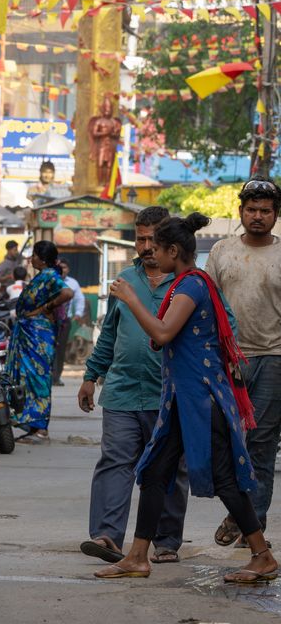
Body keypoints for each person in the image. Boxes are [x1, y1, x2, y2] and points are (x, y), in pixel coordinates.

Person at [94, 213, 278, 585]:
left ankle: (262, 556)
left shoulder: (191, 285)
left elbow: (162, 333)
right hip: (182, 398)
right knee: (154, 472)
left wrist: (131, 298)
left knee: (225, 479)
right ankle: (137, 556)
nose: (151, 253)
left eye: (158, 248)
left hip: (201, 399)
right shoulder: (188, 283)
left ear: (174, 251)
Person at [78, 207, 188, 564]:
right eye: (140, 239)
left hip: (169, 394)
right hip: (122, 390)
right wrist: (91, 376)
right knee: (115, 461)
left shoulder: (188, 283)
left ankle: (166, 540)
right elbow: (109, 334)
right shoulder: (125, 280)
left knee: (168, 468)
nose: (146, 246)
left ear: (169, 241)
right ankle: (107, 536)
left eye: (153, 239)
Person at [206, 176, 281, 548]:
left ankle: (252, 524)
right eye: (252, 209)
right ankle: (241, 513)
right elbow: (206, 304)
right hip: (227, 360)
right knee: (224, 442)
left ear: (275, 215)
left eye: (265, 210)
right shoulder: (222, 251)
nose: (258, 216)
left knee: (261, 445)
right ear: (240, 212)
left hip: (273, 358)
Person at [5, 241, 73, 443]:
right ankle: (33, 426)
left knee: (38, 379)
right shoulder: (42, 275)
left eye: (34, 255)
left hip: (38, 336)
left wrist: (46, 308)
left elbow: (67, 293)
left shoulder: (50, 276)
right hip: (28, 334)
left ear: (42, 259)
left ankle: (41, 429)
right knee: (27, 379)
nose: (30, 259)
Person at [52, 259, 86, 387]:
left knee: (61, 349)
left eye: (65, 267)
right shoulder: (51, 281)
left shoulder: (73, 283)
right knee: (49, 347)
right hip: (49, 320)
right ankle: (48, 376)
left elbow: (80, 299)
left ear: (68, 269)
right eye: (60, 267)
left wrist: (78, 313)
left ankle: (57, 377)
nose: (62, 270)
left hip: (65, 321)